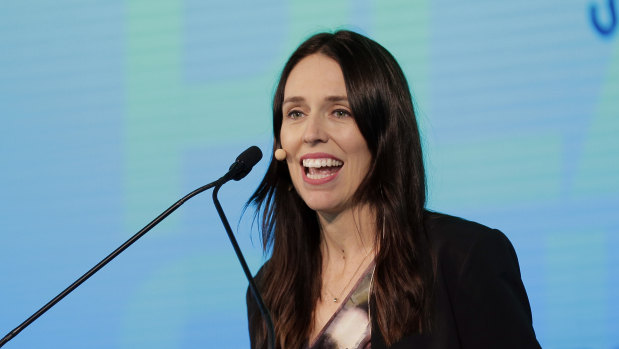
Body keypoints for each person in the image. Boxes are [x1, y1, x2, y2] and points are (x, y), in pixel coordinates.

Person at [246, 30, 541, 349]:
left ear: (384, 135)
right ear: (280, 144)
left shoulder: (461, 258)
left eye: (340, 112)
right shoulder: (270, 290)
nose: (312, 133)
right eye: (296, 113)